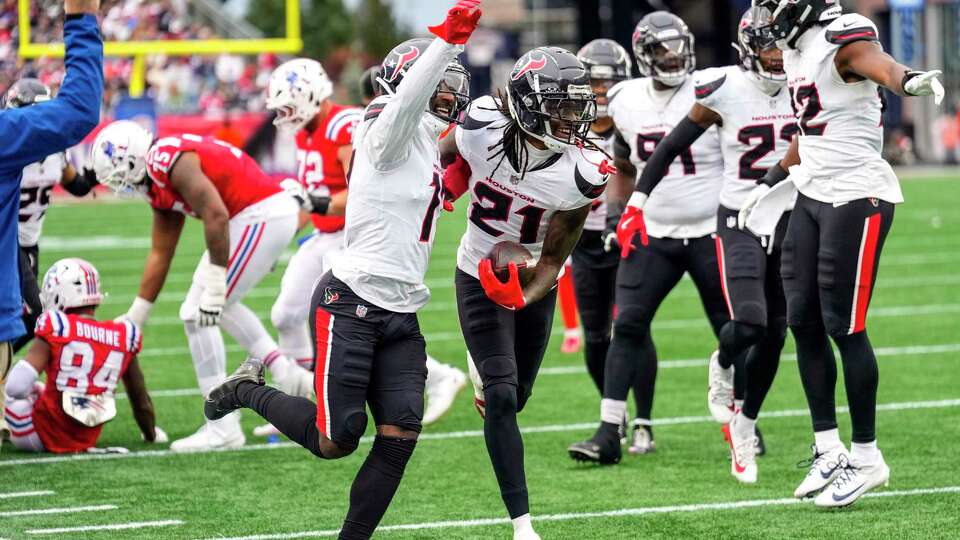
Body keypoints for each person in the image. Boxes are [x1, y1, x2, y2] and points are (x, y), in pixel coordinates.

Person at [203, 2, 479, 538]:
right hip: (351, 302)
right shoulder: (385, 124)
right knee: (338, 438)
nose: (451, 92)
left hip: (403, 309)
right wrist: (446, 43)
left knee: (400, 434)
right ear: (409, 85)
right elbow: (404, 107)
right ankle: (246, 389)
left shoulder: (422, 139)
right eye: (441, 84)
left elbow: (432, 188)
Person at [742, 0, 944, 507]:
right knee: (802, 320)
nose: (767, 18)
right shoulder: (795, 50)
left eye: (774, 6)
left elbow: (879, 64)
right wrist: (769, 181)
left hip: (856, 195)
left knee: (843, 325)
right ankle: (828, 447)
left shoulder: (843, 35)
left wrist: (910, 79)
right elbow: (807, 131)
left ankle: (868, 456)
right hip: (812, 190)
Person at [440, 46, 610, 539]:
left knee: (517, 397)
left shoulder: (582, 171)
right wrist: (444, 188)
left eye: (577, 105)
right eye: (560, 104)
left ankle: (491, 375)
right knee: (499, 395)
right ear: (526, 101)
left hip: (533, 277)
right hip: (476, 271)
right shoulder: (479, 127)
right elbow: (439, 159)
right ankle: (523, 526)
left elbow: (555, 258)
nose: (572, 116)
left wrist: (524, 295)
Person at [629, 9, 796, 482]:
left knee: (777, 334)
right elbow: (671, 145)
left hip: (789, 220)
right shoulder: (723, 87)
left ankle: (745, 424)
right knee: (749, 321)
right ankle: (721, 360)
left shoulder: (805, 82)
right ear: (747, 48)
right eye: (769, 46)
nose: (777, 56)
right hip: (740, 217)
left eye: (782, 45)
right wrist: (638, 200)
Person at [261, 58, 465, 436]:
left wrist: (315, 204)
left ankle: (438, 376)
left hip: (354, 238)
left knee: (343, 320)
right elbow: (310, 198)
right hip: (326, 236)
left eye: (289, 106)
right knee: (286, 314)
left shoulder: (342, 124)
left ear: (308, 95)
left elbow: (357, 189)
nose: (285, 116)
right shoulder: (308, 132)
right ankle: (306, 394)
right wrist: (276, 242)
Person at [91, 121, 315, 452]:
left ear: (131, 158)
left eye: (118, 175)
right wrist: (137, 315)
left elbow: (216, 213)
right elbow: (161, 252)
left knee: (199, 313)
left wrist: (215, 280)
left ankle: (223, 427)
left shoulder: (165, 158)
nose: (121, 185)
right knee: (214, 308)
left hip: (257, 214)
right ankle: (289, 374)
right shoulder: (159, 176)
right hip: (258, 214)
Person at [568, 11, 729, 465]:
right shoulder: (601, 111)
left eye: (678, 47)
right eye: (662, 49)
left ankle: (733, 419)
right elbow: (616, 162)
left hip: (690, 229)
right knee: (614, 329)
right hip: (621, 236)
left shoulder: (705, 88)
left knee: (728, 328)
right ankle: (611, 425)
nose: (673, 57)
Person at [0, 0, 102, 449]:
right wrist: (81, 17)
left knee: (32, 319)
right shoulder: (29, 143)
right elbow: (78, 113)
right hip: (17, 251)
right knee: (33, 320)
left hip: (22, 248)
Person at [572, 38, 656, 452]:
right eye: (594, 83)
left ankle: (644, 420)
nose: (602, 92)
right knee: (594, 335)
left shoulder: (632, 128)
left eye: (609, 83)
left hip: (626, 238)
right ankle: (614, 411)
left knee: (632, 326)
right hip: (584, 238)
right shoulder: (568, 129)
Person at [3, 258, 165, 453]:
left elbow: (16, 387)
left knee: (10, 390)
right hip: (86, 437)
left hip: (41, 436)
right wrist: (151, 435)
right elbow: (141, 401)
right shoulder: (124, 335)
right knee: (37, 389)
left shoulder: (57, 326)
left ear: (57, 294)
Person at [5, 78, 101, 353]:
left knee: (26, 319)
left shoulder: (55, 152)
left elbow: (78, 186)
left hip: (28, 244)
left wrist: (96, 173)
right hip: (7, 240)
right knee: (36, 314)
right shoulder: (8, 152)